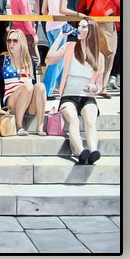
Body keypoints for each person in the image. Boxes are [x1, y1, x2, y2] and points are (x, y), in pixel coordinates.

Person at [45, 18, 103, 165]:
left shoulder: (99, 56)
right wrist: (60, 37)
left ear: (91, 31)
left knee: (90, 121)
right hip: (68, 96)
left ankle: (94, 150)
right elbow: (49, 60)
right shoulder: (70, 46)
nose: (79, 29)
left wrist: (94, 88)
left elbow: (100, 85)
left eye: (84, 27)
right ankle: (80, 151)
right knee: (73, 119)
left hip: (87, 96)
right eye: (79, 26)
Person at [80, 0, 121, 95]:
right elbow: (119, 2)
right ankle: (102, 86)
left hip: (91, 22)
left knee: (94, 54)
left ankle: (91, 83)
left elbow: (82, 4)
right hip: (106, 22)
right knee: (109, 53)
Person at [0, 27, 45, 135]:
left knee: (40, 86)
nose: (11, 44)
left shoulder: (29, 60)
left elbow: (34, 86)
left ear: (22, 42)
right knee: (27, 87)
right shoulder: (4, 59)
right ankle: (19, 126)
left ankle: (40, 126)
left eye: (15, 41)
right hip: (11, 100)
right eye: (9, 41)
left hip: (28, 100)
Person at [9, 0, 36, 66]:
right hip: (26, 33)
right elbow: (26, 18)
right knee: (30, 59)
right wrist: (33, 33)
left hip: (16, 30)